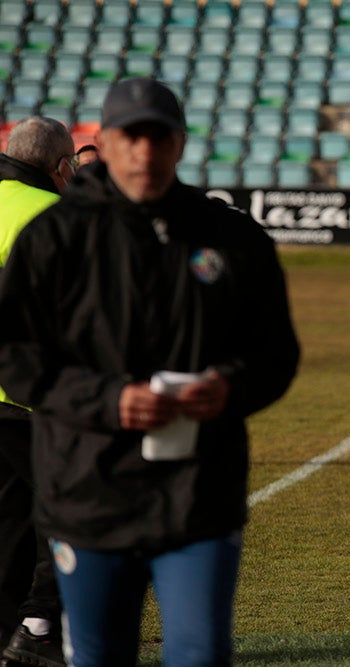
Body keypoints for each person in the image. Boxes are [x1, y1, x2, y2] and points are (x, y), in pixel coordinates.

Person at [0, 78, 300, 666]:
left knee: (199, 653)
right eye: (130, 136)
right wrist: (108, 402)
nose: (144, 151)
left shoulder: (231, 236)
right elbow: (17, 355)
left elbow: (276, 352)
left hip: (197, 493)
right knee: (101, 656)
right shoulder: (55, 236)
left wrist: (228, 387)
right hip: (87, 491)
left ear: (180, 144)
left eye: (158, 137)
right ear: (105, 144)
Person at [0, 116, 76, 667]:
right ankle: (41, 630)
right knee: (64, 520)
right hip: (31, 398)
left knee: (7, 526)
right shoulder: (55, 215)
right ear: (61, 166)